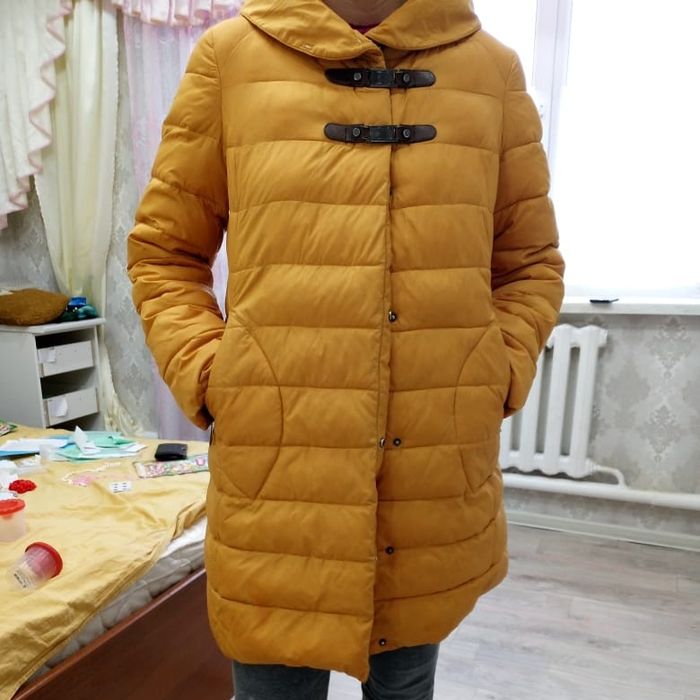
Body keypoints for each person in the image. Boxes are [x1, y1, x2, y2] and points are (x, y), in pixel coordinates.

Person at [127, 0, 565, 697]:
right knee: (272, 687)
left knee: (405, 682)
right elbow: (164, 254)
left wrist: (498, 371)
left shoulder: (491, 71)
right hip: (276, 466)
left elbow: (530, 264)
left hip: (428, 468)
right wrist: (213, 374)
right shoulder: (230, 57)